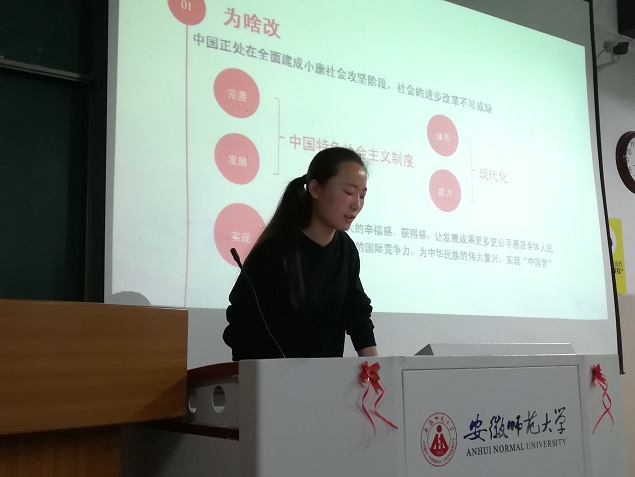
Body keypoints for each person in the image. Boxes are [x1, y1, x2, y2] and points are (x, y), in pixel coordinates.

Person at [222, 147, 378, 361]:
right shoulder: (274, 250)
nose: (357, 205)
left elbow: (357, 313)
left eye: (362, 195)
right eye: (349, 192)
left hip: (327, 377)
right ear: (315, 189)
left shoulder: (346, 249)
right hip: (275, 376)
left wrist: (377, 368)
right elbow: (241, 322)